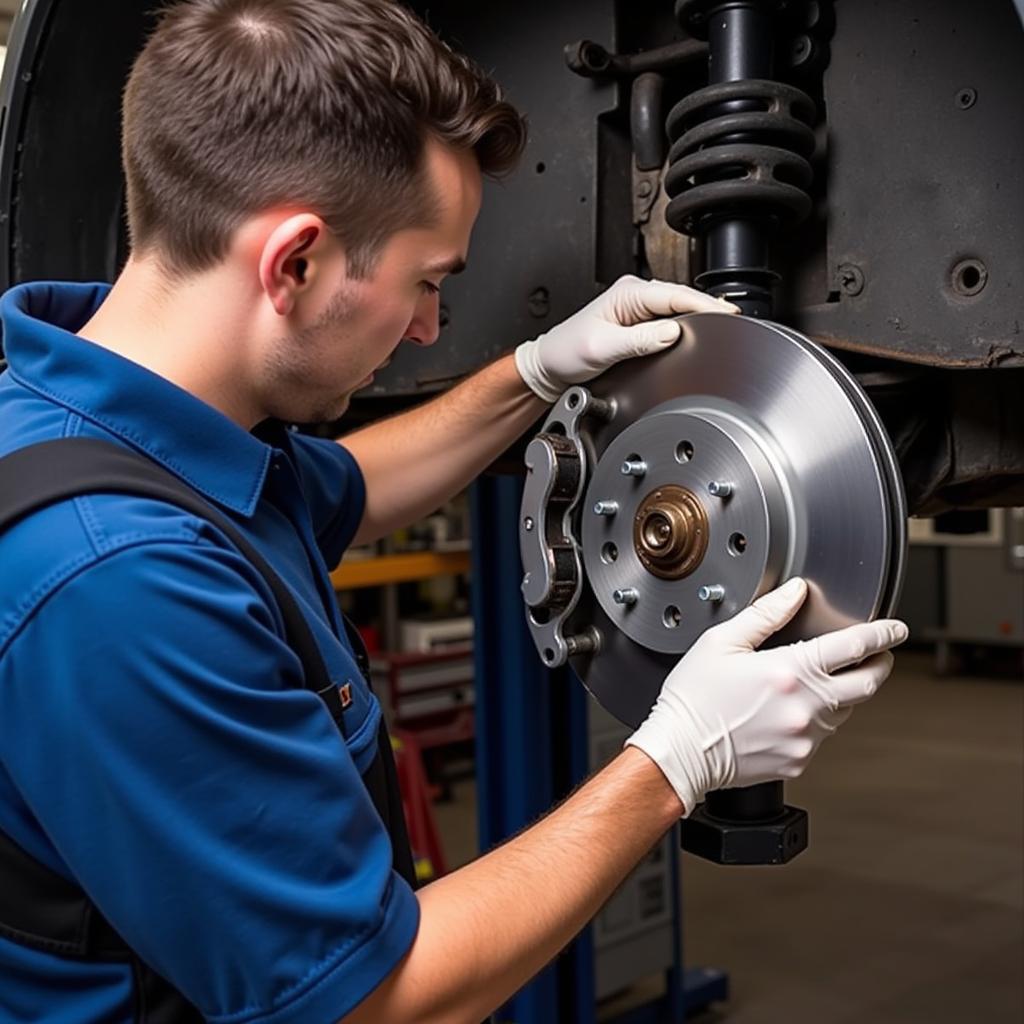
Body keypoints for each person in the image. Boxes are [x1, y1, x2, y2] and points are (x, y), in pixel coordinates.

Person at [0, 1, 907, 1021]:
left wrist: (530, 370)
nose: (435, 324)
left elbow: (351, 485)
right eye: (427, 283)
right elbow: (376, 1003)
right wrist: (678, 756)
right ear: (292, 262)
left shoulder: (89, 414)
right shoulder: (119, 584)